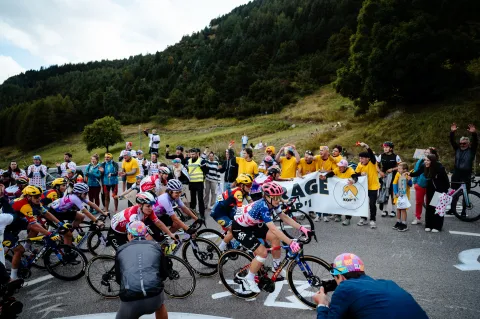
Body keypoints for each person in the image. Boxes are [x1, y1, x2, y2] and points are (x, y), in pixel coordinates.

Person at [232, 182, 311, 292]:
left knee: (275, 238)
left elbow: (284, 217)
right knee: (263, 252)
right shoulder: (262, 206)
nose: (278, 200)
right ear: (266, 197)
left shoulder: (273, 203)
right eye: (275, 198)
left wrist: (302, 228)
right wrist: (290, 242)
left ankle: (276, 266)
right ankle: (248, 278)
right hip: (240, 228)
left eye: (279, 197)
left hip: (253, 225)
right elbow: (273, 228)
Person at [313, 253, 428, 319]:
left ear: (341, 277)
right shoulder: (388, 283)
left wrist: (322, 305)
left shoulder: (344, 287)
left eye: (335, 278)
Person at [115, 220, 169, 319]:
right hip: (154, 296)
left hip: (131, 299)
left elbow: (119, 279)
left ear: (130, 235)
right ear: (145, 234)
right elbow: (164, 273)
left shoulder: (121, 249)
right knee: (160, 305)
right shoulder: (156, 246)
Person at [109, 192, 176, 250]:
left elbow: (158, 223)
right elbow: (134, 236)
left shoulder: (148, 210)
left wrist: (170, 234)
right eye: (148, 206)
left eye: (152, 206)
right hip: (116, 233)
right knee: (123, 256)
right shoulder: (134, 216)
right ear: (140, 205)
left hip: (127, 229)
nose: (151, 208)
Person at [210, 174, 253, 252]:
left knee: (243, 224)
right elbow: (240, 210)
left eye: (251, 184)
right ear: (241, 185)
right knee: (234, 230)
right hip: (218, 213)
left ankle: (230, 242)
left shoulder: (245, 191)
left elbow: (252, 204)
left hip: (227, 210)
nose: (250, 187)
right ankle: (220, 250)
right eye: (248, 185)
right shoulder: (238, 193)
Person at [409, 154, 449, 232]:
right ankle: (428, 225)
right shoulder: (424, 165)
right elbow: (417, 172)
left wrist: (444, 191)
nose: (425, 162)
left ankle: (437, 226)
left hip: (439, 189)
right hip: (430, 188)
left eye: (428, 160)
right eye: (425, 160)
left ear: (432, 161)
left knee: (437, 208)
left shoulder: (440, 168)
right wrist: (409, 174)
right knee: (429, 207)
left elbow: (446, 181)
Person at [449, 123, 477, 215]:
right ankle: (452, 209)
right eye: (461, 143)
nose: (462, 145)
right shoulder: (457, 149)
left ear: (468, 144)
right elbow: (452, 141)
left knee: (465, 194)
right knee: (454, 193)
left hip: (466, 175)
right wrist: (452, 132)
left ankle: (463, 211)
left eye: (464, 143)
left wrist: (474, 133)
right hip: (456, 173)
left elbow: (476, 142)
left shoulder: (471, 150)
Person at [320, 159, 359, 225]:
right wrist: (325, 177)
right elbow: (331, 173)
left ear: (345, 167)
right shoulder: (337, 169)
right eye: (339, 166)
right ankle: (338, 215)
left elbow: (355, 177)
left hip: (348, 189)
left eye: (341, 166)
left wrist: (353, 181)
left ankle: (347, 219)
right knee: (338, 202)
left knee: (348, 204)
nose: (339, 168)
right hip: (339, 189)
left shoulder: (350, 170)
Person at [355, 142, 380, 228]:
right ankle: (363, 218)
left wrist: (366, 146)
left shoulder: (372, 163)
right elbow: (354, 175)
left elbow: (372, 156)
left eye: (362, 158)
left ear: (367, 159)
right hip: (363, 188)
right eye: (360, 158)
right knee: (363, 203)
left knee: (372, 204)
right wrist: (360, 174)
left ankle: (372, 220)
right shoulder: (359, 165)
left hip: (373, 187)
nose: (360, 160)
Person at [411, 147, 439, 224]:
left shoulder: (436, 163)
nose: (426, 154)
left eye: (428, 152)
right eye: (425, 152)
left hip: (431, 185)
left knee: (430, 203)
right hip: (420, 184)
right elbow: (416, 171)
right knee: (418, 202)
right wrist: (415, 183)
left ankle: (431, 218)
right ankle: (417, 217)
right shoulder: (420, 161)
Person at [378, 141, 402, 217]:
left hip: (394, 177)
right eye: (384, 147)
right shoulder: (381, 156)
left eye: (387, 147)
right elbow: (376, 165)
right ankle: (384, 210)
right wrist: (380, 172)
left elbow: (400, 166)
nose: (385, 148)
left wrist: (392, 169)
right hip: (384, 177)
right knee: (384, 193)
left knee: (393, 194)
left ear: (391, 148)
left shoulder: (396, 156)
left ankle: (393, 210)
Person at [314, 146, 337, 222]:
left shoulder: (331, 160)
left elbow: (333, 171)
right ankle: (318, 215)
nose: (320, 152)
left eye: (322, 150)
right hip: (318, 181)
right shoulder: (318, 157)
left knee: (325, 198)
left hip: (327, 182)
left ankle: (325, 215)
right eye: (320, 150)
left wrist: (325, 171)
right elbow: (312, 158)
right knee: (318, 198)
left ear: (327, 152)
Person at [187, 148, 207, 219]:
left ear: (197, 154)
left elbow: (206, 171)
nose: (192, 155)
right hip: (191, 183)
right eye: (191, 154)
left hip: (199, 183)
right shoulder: (188, 161)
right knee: (192, 200)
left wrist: (202, 167)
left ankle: (202, 215)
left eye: (193, 154)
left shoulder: (201, 161)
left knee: (200, 199)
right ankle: (192, 214)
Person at [392, 163, 413, 232]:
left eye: (400, 168)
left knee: (403, 209)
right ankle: (398, 222)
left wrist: (409, 180)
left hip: (405, 195)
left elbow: (410, 185)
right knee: (398, 208)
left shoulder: (407, 175)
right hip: (398, 195)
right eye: (398, 168)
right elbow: (394, 183)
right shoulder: (397, 174)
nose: (398, 170)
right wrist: (395, 192)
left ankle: (404, 224)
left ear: (405, 169)